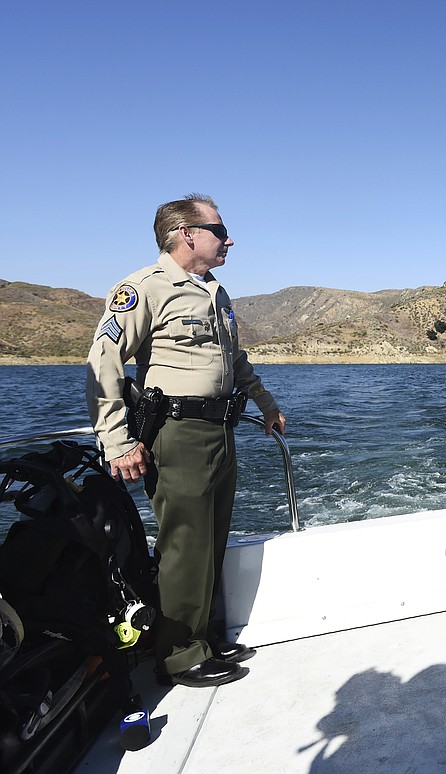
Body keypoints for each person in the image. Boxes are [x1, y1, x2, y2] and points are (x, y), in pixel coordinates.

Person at [86, 194, 287, 689]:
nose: (229, 239)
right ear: (186, 234)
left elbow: (235, 361)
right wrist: (116, 441)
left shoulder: (215, 292)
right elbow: (102, 364)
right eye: (220, 229)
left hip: (222, 429)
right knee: (184, 545)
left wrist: (264, 402)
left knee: (211, 539)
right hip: (177, 434)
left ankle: (206, 638)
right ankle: (178, 654)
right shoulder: (143, 289)